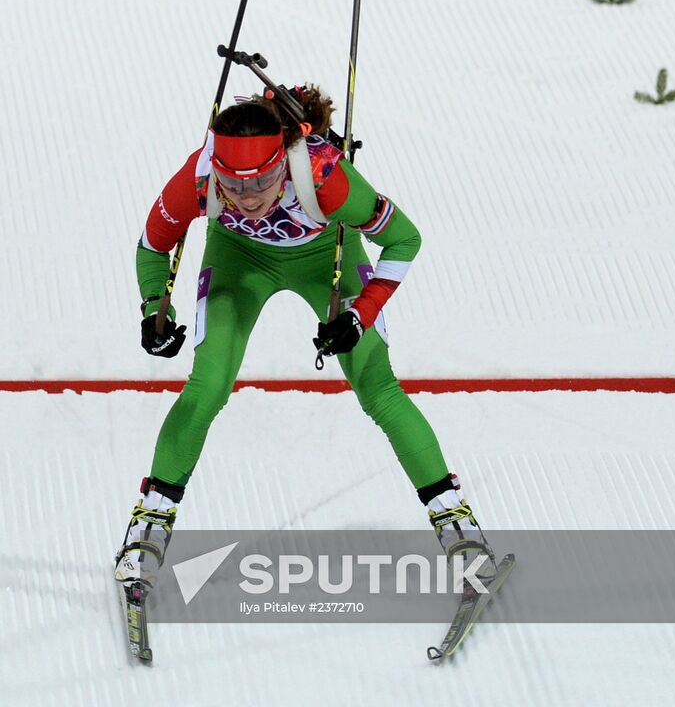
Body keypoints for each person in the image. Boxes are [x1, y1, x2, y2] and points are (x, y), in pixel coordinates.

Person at [114, 85, 494, 593]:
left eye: (264, 182)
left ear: (282, 162)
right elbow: (151, 247)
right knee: (207, 388)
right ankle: (148, 531)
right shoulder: (198, 176)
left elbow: (406, 239)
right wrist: (153, 310)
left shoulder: (324, 177)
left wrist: (361, 312)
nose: (248, 199)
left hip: (321, 259)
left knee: (377, 386)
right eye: (234, 185)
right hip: (238, 259)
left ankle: (460, 532)